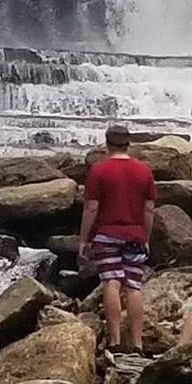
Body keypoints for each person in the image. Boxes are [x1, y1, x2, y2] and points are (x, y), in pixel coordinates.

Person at [79, 123, 156, 355]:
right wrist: (146, 236)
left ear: (107, 143)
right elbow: (149, 209)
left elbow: (91, 208)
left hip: (106, 234)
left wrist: (84, 239)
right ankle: (137, 344)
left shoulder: (99, 170)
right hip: (135, 234)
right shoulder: (144, 171)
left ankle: (114, 341)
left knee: (111, 283)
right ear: (128, 143)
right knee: (134, 286)